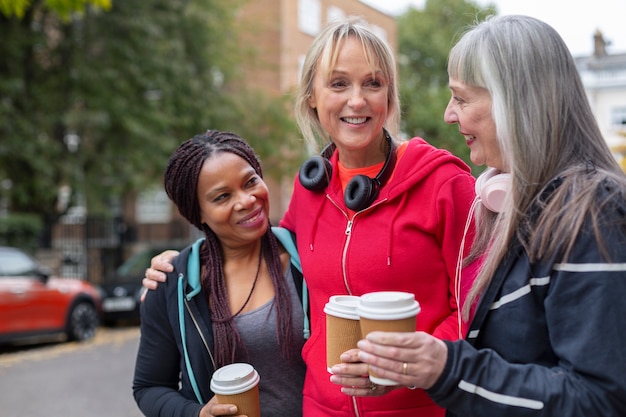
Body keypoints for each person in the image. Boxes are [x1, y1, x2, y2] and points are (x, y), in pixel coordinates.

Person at [144, 17, 477, 417]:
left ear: (389, 96)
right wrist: (178, 267)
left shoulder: (444, 183)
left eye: (373, 83)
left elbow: (479, 308)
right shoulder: (310, 190)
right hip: (321, 408)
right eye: (338, 84)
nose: (357, 100)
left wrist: (407, 367)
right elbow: (255, 245)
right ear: (311, 97)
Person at [354, 15, 626, 417]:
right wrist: (423, 366)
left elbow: (600, 400)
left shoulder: (591, 211)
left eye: (461, 99)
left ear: (516, 102)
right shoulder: (527, 205)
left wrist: (449, 368)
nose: (449, 114)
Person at [133, 130, 307, 417]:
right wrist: (198, 414)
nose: (246, 200)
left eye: (250, 182)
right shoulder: (173, 284)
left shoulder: (308, 256)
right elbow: (149, 387)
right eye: (222, 196)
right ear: (197, 213)